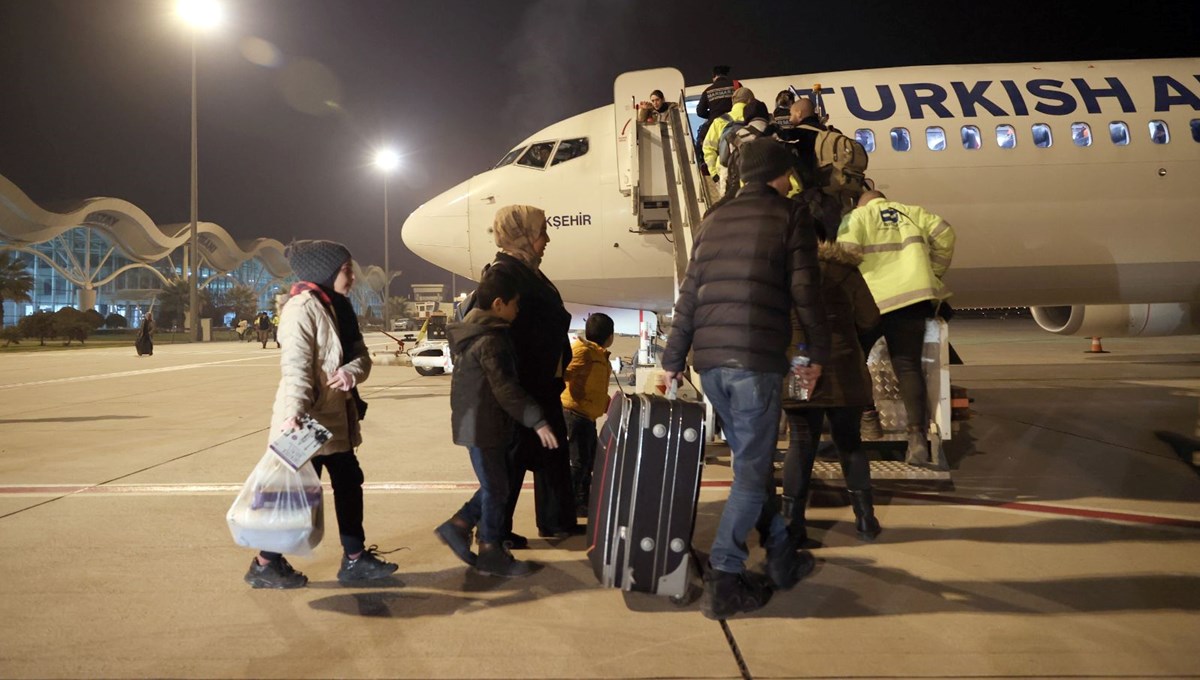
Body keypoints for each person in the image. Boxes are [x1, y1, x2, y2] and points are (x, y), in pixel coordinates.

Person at [662, 138, 831, 620]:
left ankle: (780, 556)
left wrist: (675, 358)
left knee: (751, 472)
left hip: (711, 365)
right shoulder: (789, 215)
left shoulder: (712, 219)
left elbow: (689, 296)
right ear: (780, 174)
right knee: (751, 477)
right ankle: (726, 576)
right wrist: (816, 352)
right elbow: (805, 291)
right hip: (755, 363)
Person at [244, 239, 398, 589]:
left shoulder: (340, 307)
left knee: (348, 480)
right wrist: (294, 414)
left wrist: (351, 372)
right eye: (346, 270)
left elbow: (361, 355)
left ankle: (355, 558)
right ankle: (265, 563)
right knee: (294, 494)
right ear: (324, 271)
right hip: (306, 420)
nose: (352, 277)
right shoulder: (301, 308)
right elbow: (295, 368)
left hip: (336, 415)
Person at [435, 268, 560, 577]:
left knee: (496, 485)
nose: (518, 311)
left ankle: (460, 525)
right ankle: (489, 549)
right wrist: (538, 421)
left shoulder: (475, 333)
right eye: (515, 304)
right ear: (499, 303)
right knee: (496, 488)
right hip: (482, 424)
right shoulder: (490, 340)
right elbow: (506, 389)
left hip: (477, 422)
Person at [776, 228, 883, 548]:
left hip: (799, 368)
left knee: (800, 441)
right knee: (849, 442)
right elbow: (870, 319)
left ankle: (793, 525)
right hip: (845, 367)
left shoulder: (783, 272)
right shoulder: (845, 271)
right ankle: (865, 520)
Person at [838, 191, 956, 467]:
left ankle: (868, 417)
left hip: (871, 301)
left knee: (854, 362)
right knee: (908, 367)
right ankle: (916, 440)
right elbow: (946, 235)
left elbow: (844, 256)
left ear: (860, 203)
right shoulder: (913, 212)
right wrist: (932, 272)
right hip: (912, 300)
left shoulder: (857, 217)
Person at [484, 205, 578, 547]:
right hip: (523, 384)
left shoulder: (527, 270)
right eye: (541, 232)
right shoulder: (503, 273)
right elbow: (489, 329)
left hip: (541, 380)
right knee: (514, 458)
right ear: (521, 234)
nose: (546, 239)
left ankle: (556, 521)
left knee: (552, 452)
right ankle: (493, 531)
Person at [561, 312, 615, 517]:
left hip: (587, 416)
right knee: (578, 462)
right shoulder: (584, 352)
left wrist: (606, 403)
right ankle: (570, 504)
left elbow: (595, 387)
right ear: (610, 336)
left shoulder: (599, 355)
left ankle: (583, 500)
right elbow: (565, 374)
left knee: (588, 460)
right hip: (574, 414)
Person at [702, 87, 755, 185]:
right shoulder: (755, 121)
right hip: (752, 175)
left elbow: (708, 148)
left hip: (726, 174)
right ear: (751, 101)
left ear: (733, 101)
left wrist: (714, 173)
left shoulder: (720, 121)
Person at [694, 66, 739, 173]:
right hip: (735, 122)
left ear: (714, 77)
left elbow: (700, 111)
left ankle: (704, 165)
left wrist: (712, 114)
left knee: (701, 141)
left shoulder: (708, 91)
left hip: (716, 124)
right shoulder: (736, 85)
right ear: (726, 75)